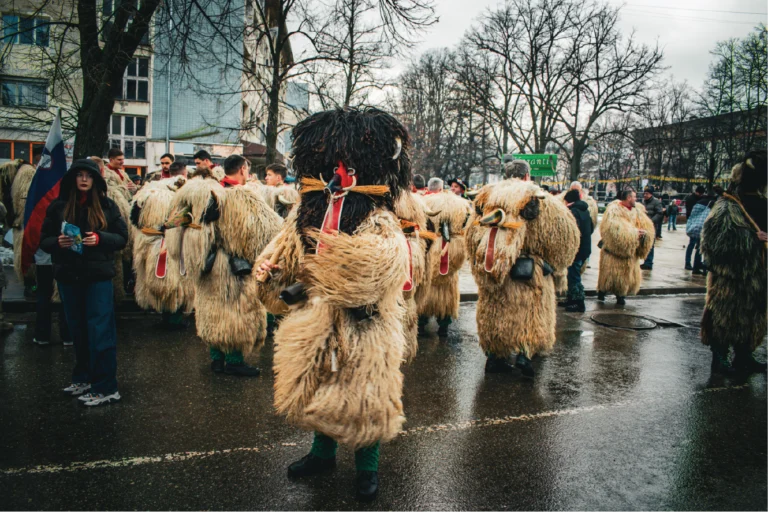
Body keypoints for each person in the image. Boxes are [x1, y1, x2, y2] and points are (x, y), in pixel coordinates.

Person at [255, 107, 411, 501]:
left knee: (365, 393)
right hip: (316, 317)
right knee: (321, 386)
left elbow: (387, 262)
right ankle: (321, 454)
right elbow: (287, 251)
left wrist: (345, 270)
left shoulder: (379, 218)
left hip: (366, 323)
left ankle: (367, 468)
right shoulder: (305, 215)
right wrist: (271, 268)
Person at [180, 154, 280, 377]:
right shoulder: (244, 197)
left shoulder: (206, 193)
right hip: (236, 267)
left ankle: (217, 359)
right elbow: (267, 230)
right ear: (243, 169)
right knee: (236, 311)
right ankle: (234, 361)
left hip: (208, 263)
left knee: (212, 309)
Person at [466, 179, 579, 377]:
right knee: (530, 316)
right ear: (526, 176)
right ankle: (524, 355)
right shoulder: (547, 205)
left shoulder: (488, 200)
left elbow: (472, 236)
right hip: (531, 274)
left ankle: (495, 357)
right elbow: (566, 238)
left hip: (497, 272)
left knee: (495, 314)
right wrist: (553, 266)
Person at [40, 159, 128, 406]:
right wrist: (57, 242)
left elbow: (122, 237)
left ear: (95, 179)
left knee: (100, 332)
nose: (83, 179)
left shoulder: (107, 206)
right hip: (69, 276)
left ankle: (106, 387)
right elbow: (43, 240)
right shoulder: (58, 207)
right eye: (79, 175)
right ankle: (84, 377)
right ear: (72, 179)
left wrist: (100, 238)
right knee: (78, 330)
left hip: (97, 277)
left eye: (88, 175)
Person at [701, 150, 768, 375]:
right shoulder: (728, 205)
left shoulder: (763, 203)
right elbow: (714, 242)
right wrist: (751, 239)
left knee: (753, 318)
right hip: (729, 279)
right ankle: (719, 359)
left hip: (758, 275)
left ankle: (744, 357)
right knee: (724, 319)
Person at [417, 190, 471, 337]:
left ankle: (422, 323)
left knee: (428, 283)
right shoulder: (460, 207)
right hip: (452, 247)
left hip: (434, 244)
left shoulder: (428, 203)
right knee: (448, 286)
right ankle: (443, 326)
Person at [596, 189, 655, 305]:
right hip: (614, 253)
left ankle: (621, 296)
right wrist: (634, 233)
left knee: (625, 278)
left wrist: (645, 234)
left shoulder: (637, 211)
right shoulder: (614, 211)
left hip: (630, 253)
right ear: (628, 198)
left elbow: (646, 225)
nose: (636, 199)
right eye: (634, 197)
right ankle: (602, 293)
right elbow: (614, 230)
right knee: (609, 276)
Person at [562, 189, 593, 312]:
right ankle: (571, 299)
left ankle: (579, 302)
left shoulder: (573, 212)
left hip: (576, 250)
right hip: (584, 249)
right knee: (572, 275)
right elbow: (590, 229)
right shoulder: (584, 210)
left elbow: (571, 232)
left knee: (574, 277)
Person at [640, 186, 663, 270]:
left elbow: (659, 213)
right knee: (643, 243)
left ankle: (649, 263)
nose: (645, 195)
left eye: (647, 193)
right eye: (644, 193)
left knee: (650, 244)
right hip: (643, 226)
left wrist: (650, 221)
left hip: (651, 226)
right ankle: (646, 261)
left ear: (651, 194)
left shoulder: (656, 202)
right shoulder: (643, 202)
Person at [685, 186, 706, 270]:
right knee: (694, 243)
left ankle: (691, 262)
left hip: (693, 222)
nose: (701, 195)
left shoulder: (691, 198)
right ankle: (689, 263)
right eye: (700, 193)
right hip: (694, 223)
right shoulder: (693, 199)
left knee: (695, 244)